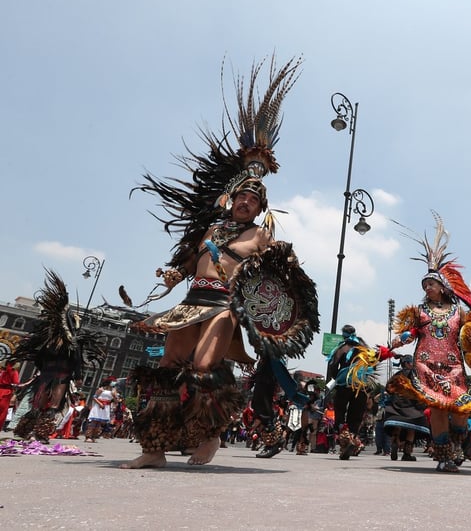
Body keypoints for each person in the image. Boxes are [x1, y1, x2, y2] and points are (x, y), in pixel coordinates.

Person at [121, 55, 314, 469]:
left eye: (254, 198)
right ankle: (153, 448)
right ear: (231, 198)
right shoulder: (210, 229)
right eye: (241, 195)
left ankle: (209, 436)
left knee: (207, 366)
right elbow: (191, 262)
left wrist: (287, 273)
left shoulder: (262, 236)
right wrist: (175, 273)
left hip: (224, 305)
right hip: (190, 300)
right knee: (169, 366)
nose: (246, 201)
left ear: (261, 206)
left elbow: (280, 278)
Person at [388, 216, 471, 473]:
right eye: (425, 284)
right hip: (426, 366)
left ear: (443, 287)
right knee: (436, 408)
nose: (427, 287)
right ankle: (443, 454)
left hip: (454, 367)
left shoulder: (459, 312)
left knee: (460, 411)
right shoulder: (420, 311)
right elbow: (411, 332)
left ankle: (459, 442)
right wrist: (398, 340)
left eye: (431, 284)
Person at [11, 271, 105, 444]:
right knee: (49, 403)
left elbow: (43, 359)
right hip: (57, 375)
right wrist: (77, 377)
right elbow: (74, 360)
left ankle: (33, 431)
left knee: (44, 403)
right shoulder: (65, 341)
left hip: (52, 374)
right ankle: (37, 432)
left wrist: (70, 374)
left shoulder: (56, 341)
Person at [326, 325, 375, 460]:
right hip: (362, 386)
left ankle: (345, 441)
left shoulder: (342, 348)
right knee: (356, 415)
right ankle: (352, 437)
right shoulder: (364, 348)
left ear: (343, 334)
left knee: (340, 412)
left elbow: (333, 365)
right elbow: (372, 366)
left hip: (345, 384)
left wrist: (335, 380)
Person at [383, 354, 430, 462]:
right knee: (411, 428)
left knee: (397, 426)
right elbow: (421, 389)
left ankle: (395, 442)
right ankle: (407, 453)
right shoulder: (415, 375)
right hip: (411, 408)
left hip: (395, 407)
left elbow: (388, 388)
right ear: (408, 363)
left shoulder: (396, 375)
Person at [85, 377, 116, 442]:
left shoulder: (112, 391)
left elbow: (115, 400)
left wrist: (114, 396)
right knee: (94, 422)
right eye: (113, 381)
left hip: (106, 407)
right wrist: (100, 403)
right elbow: (94, 397)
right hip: (98, 406)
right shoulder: (101, 389)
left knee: (99, 423)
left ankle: (94, 436)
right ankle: (88, 436)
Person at [0, 360, 20, 431]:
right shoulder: (14, 372)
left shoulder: (1, 371)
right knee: (2, 412)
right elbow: (16, 383)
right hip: (6, 392)